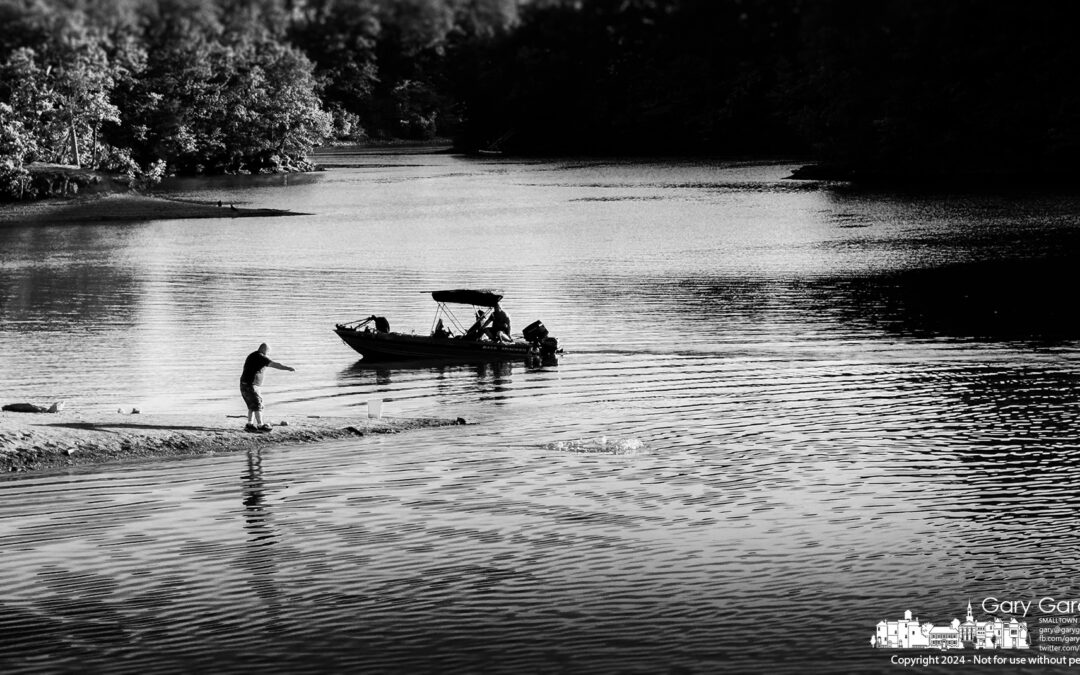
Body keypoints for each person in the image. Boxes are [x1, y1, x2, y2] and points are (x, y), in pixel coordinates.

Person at [240, 343, 295, 432]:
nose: (268, 354)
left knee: (251, 405)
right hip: (251, 385)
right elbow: (276, 365)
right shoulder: (261, 357)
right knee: (258, 404)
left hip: (244, 383)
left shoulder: (252, 355)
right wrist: (288, 368)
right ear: (264, 350)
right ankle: (260, 425)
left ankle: (249, 424)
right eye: (268, 352)